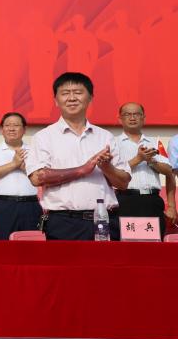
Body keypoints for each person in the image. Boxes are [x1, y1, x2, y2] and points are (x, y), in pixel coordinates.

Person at [26, 72, 131, 240]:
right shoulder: (44, 137)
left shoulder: (105, 137)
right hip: (64, 223)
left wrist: (107, 167)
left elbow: (123, 183)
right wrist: (83, 169)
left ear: (90, 98)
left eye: (78, 92)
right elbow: (37, 178)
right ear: (56, 100)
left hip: (104, 220)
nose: (72, 98)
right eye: (65, 93)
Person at [113, 102, 175, 236]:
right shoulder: (113, 143)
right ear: (120, 119)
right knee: (126, 245)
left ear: (143, 118)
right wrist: (138, 159)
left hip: (152, 201)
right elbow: (112, 173)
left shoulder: (155, 142)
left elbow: (169, 171)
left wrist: (151, 161)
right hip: (125, 200)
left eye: (137, 114)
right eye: (127, 114)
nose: (132, 118)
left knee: (153, 244)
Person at [0, 113, 41, 240]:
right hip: (3, 206)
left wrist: (24, 167)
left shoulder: (33, 150)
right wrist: (13, 164)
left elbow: (40, 177)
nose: (11, 129)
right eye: (7, 125)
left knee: (31, 246)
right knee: (3, 246)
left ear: (24, 129)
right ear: (2, 130)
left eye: (16, 125)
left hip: (30, 206)